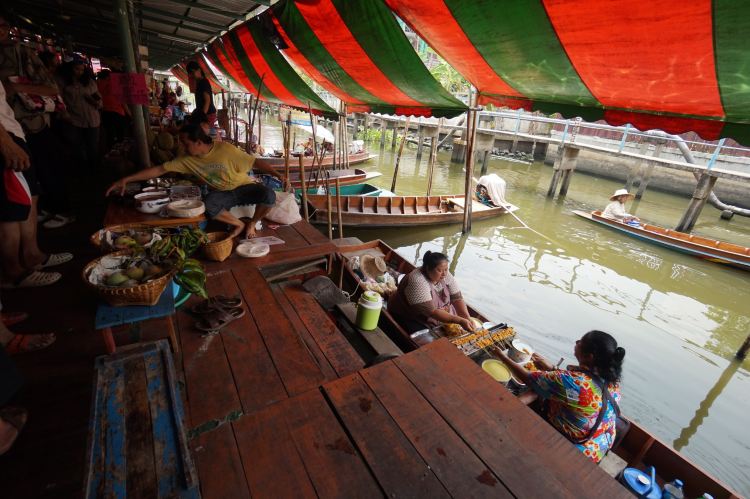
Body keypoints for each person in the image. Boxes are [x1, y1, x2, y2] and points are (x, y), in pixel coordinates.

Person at [106, 123, 283, 239]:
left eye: (185, 143)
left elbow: (255, 162)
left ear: (198, 142)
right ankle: (238, 224)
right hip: (223, 193)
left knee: (269, 195)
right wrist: (126, 179)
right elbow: (159, 170)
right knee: (208, 204)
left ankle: (251, 223)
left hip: (244, 187)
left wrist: (278, 175)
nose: (182, 147)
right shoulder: (186, 159)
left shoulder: (225, 150)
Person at [493, 330, 625, 463]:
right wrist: (553, 369)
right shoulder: (613, 382)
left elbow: (529, 379)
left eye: (580, 342)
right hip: (599, 444)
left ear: (589, 357)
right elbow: (579, 387)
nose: (577, 342)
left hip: (576, 452)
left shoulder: (574, 382)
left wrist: (502, 357)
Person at [0, 80, 69, 288]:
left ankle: (32, 255)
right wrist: (5, 142)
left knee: (30, 196)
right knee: (11, 208)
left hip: (13, 134)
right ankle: (12, 272)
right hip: (6, 138)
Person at [388, 250, 475, 333]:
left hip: (438, 312)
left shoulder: (446, 275)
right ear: (428, 268)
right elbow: (432, 312)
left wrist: (466, 317)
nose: (444, 274)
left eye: (446, 269)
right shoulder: (417, 280)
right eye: (439, 270)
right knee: (426, 338)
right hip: (409, 315)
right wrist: (459, 320)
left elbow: (457, 298)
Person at [58, 55, 101, 173]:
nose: (79, 72)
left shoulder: (90, 82)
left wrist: (97, 103)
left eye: (82, 69)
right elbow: (59, 100)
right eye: (77, 69)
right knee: (77, 147)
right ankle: (81, 171)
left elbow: (98, 98)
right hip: (74, 120)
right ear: (69, 69)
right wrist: (64, 113)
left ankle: (94, 171)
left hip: (92, 120)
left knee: (92, 147)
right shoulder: (63, 83)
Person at [97, 69, 131, 150]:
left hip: (105, 112)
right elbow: (123, 102)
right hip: (117, 113)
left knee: (109, 134)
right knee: (120, 136)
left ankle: (110, 151)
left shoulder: (98, 84)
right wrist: (130, 114)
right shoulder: (115, 84)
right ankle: (119, 152)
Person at [186, 61, 215, 127]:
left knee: (203, 132)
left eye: (192, 72)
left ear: (199, 70)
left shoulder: (204, 82)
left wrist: (202, 116)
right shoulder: (199, 82)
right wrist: (196, 112)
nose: (191, 75)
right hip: (204, 113)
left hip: (208, 114)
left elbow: (207, 101)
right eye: (190, 73)